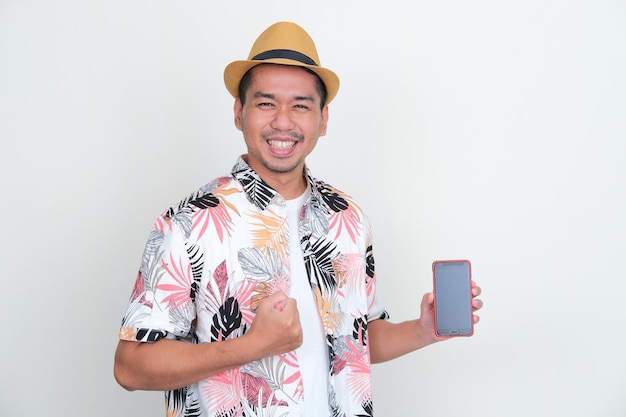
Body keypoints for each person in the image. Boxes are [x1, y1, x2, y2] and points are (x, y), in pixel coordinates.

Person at [114, 21, 483, 417]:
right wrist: (250, 347)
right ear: (239, 113)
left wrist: (421, 330)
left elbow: (354, 341)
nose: (283, 122)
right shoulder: (189, 222)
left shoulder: (349, 219)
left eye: (301, 105)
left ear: (323, 119)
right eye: (266, 102)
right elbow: (130, 366)